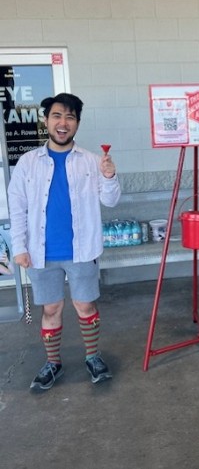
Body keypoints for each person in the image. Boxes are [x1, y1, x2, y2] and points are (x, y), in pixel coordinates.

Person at [8, 93, 121, 391]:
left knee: (85, 305)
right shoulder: (28, 163)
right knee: (51, 309)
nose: (63, 122)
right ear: (46, 121)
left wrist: (110, 176)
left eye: (70, 117)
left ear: (77, 124)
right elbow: (17, 208)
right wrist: (19, 247)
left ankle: (93, 357)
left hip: (82, 250)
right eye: (57, 116)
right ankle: (53, 362)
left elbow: (111, 200)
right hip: (41, 252)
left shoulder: (91, 161)